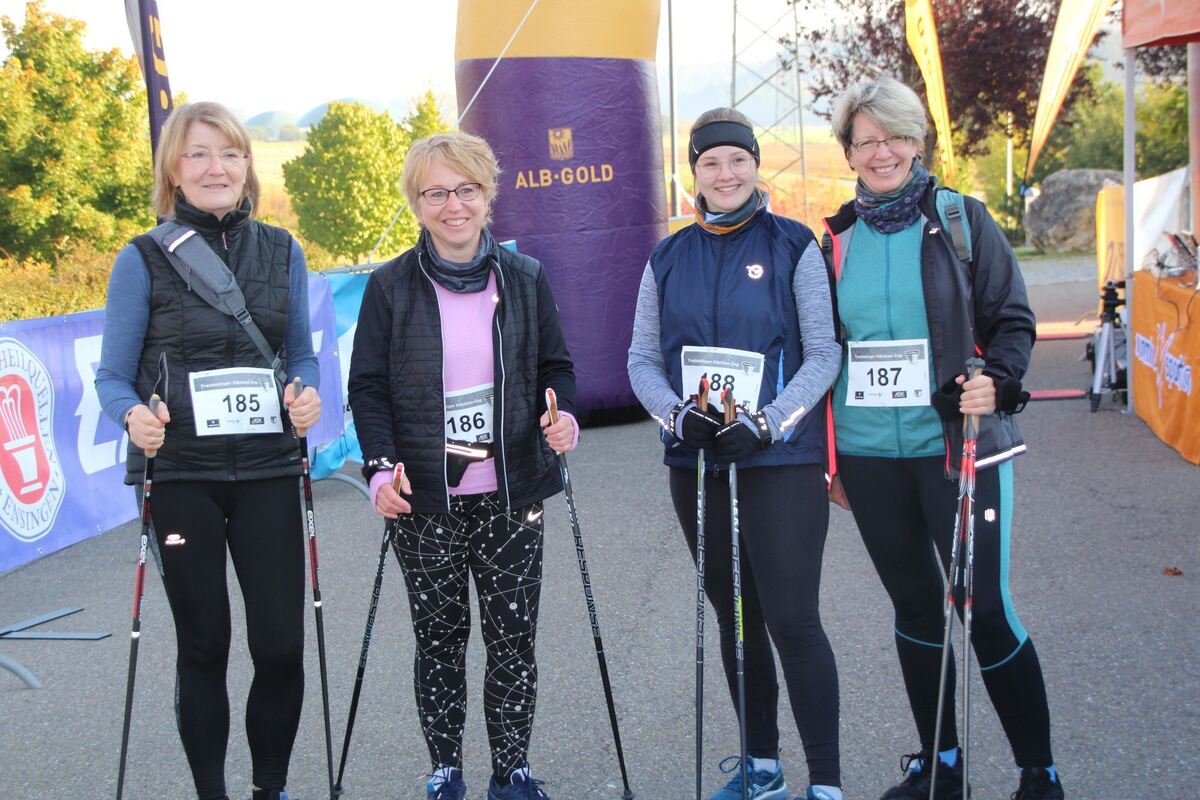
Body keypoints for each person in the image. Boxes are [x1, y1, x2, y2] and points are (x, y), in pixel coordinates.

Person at [823, 76, 1063, 800]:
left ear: (917, 140)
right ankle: (941, 765)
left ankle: (1038, 773)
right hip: (869, 455)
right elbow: (822, 346)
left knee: (982, 606)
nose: (881, 151)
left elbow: (1011, 319)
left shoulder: (961, 219)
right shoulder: (833, 240)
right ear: (849, 152)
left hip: (959, 447)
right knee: (916, 607)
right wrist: (825, 460)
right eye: (864, 141)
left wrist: (1000, 378)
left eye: (893, 136)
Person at [96, 102, 321, 800]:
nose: (216, 167)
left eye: (228, 153)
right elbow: (111, 376)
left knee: (281, 648)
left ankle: (269, 790)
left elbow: (303, 358)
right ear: (173, 169)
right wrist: (134, 415)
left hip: (267, 472)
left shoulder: (282, 251)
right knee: (203, 646)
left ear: (248, 165)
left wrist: (305, 396)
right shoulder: (141, 259)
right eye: (198, 154)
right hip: (184, 473)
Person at [348, 131, 578, 800]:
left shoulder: (526, 278)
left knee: (513, 640)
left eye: (466, 189)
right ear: (417, 205)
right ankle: (445, 771)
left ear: (488, 195)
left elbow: (556, 368)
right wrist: (379, 469)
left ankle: (513, 771)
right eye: (436, 193)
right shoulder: (390, 287)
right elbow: (368, 387)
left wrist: (563, 418)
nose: (454, 205)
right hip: (425, 496)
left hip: (510, 491)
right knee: (440, 639)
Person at [628, 108, 844, 800]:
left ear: (756, 166)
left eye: (738, 160)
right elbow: (640, 359)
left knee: (791, 616)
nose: (726, 174)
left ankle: (828, 783)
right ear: (692, 173)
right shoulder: (667, 256)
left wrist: (773, 423)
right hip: (697, 463)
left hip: (779, 462)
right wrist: (673, 414)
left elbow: (824, 353)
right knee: (737, 616)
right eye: (711, 163)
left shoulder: (792, 245)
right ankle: (763, 768)